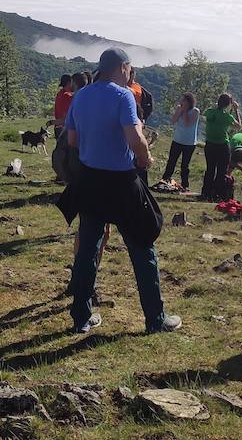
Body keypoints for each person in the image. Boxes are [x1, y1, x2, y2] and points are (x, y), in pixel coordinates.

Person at [64, 48, 181, 335]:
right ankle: (155, 319)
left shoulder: (81, 96)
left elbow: (73, 139)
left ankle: (81, 318)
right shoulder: (123, 95)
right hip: (121, 183)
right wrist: (146, 159)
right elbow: (135, 138)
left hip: (90, 180)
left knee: (88, 248)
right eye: (130, 69)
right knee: (142, 247)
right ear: (124, 67)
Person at [200, 94, 241, 202]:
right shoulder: (227, 116)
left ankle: (206, 192)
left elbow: (207, 113)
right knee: (221, 171)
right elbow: (238, 126)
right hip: (222, 145)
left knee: (210, 169)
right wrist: (236, 110)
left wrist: (216, 105)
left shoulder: (210, 112)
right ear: (228, 104)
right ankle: (217, 193)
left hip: (209, 144)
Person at [160, 93, 199, 192]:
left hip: (189, 143)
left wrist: (185, 111)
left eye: (184, 101)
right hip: (177, 140)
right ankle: (165, 179)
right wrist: (180, 110)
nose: (181, 102)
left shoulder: (195, 111)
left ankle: (185, 184)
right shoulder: (179, 108)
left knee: (185, 165)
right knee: (171, 161)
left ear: (189, 102)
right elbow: (173, 120)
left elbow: (187, 124)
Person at [53, 75, 75, 140]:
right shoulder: (67, 96)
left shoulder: (59, 93)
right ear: (69, 83)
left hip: (58, 126)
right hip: (64, 128)